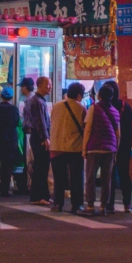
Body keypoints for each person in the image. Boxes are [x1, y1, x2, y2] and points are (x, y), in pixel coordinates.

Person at [81, 83, 119, 215]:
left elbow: (88, 128)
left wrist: (84, 148)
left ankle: (90, 206)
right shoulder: (115, 111)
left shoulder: (93, 108)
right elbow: (118, 133)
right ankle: (103, 206)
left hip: (95, 148)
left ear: (99, 95)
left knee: (90, 177)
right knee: (106, 179)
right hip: (110, 149)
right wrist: (116, 150)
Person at [49, 83, 86, 213]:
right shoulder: (81, 108)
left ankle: (57, 203)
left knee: (59, 177)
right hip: (74, 147)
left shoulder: (56, 106)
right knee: (76, 177)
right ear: (79, 95)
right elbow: (84, 127)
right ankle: (77, 204)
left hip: (56, 146)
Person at [104, 79, 132, 213]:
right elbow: (130, 126)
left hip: (108, 144)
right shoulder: (124, 106)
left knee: (109, 175)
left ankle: (109, 204)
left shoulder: (103, 107)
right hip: (124, 146)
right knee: (124, 174)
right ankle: (127, 204)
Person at [22, 76, 52, 205]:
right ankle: (39, 196)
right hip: (39, 136)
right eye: (47, 85)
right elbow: (40, 122)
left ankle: (41, 195)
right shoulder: (38, 102)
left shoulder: (34, 100)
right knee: (41, 166)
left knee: (41, 166)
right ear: (39, 85)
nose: (49, 87)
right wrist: (45, 137)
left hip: (36, 135)